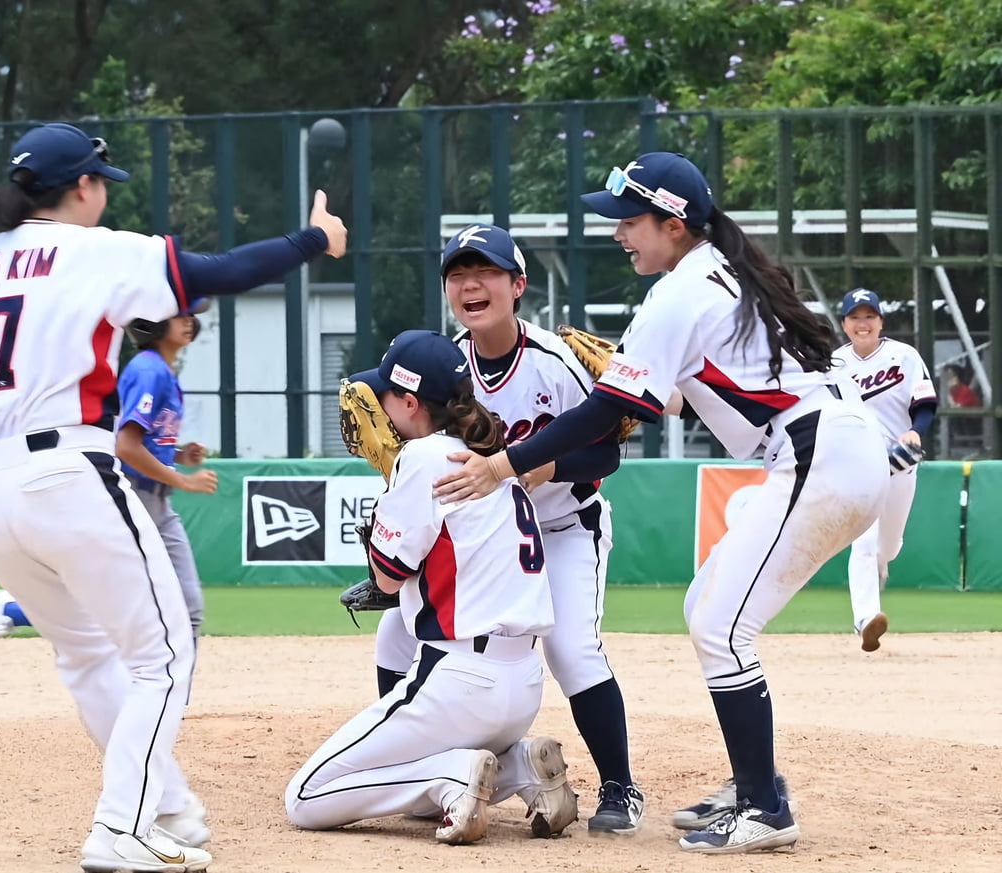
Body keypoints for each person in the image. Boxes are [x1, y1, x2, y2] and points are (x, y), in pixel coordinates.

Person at [0, 121, 346, 873]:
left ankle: (166, 808)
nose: (104, 193)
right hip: (69, 474)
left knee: (86, 657)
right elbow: (225, 271)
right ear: (82, 185)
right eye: (100, 181)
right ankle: (120, 828)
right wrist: (313, 240)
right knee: (162, 656)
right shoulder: (100, 251)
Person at [433, 152, 889, 854]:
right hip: (831, 448)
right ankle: (755, 781)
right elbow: (686, 394)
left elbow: (605, 412)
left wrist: (502, 464)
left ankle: (765, 808)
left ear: (673, 223)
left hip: (819, 455)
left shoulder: (681, 291)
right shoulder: (721, 269)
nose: (619, 232)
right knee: (708, 606)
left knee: (721, 627)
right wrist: (633, 374)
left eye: (629, 219)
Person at [372, 223, 643, 835]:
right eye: (458, 275)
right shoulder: (445, 363)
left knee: (571, 649)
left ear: (518, 285)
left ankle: (620, 788)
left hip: (564, 524)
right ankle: (414, 766)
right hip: (488, 537)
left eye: (486, 272)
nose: (471, 285)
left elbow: (606, 454)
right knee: (396, 634)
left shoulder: (554, 363)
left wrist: (537, 466)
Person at [285, 329, 577, 845]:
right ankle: (521, 768)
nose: (377, 409)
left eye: (386, 396)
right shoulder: (493, 458)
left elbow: (387, 577)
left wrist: (385, 510)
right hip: (523, 685)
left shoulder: (421, 457)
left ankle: (453, 776)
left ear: (410, 403)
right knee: (413, 776)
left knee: (306, 797)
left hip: (459, 682)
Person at [0, 311, 219, 652]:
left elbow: (139, 439)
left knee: (182, 607)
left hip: (155, 500)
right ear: (154, 324)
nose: (187, 320)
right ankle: (10, 610)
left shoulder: (162, 371)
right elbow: (126, 446)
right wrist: (184, 481)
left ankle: (167, 689)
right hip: (131, 495)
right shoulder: (149, 370)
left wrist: (179, 454)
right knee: (121, 603)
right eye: (178, 315)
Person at [833, 288, 937, 652]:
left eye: (869, 316)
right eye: (855, 317)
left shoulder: (903, 356)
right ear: (844, 324)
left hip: (900, 463)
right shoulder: (834, 365)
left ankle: (883, 563)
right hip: (859, 466)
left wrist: (916, 430)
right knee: (863, 542)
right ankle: (866, 620)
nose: (862, 324)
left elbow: (925, 402)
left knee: (887, 548)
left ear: (880, 322)